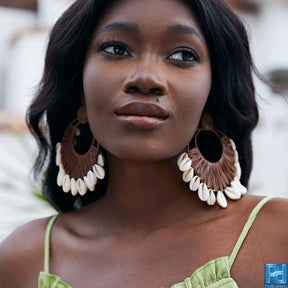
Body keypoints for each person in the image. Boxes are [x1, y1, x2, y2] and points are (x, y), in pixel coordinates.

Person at [0, 0, 287, 287]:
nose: (145, 78)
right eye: (116, 49)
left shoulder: (276, 243)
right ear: (78, 87)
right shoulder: (24, 259)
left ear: (212, 97)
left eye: (183, 54)